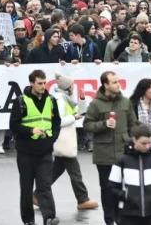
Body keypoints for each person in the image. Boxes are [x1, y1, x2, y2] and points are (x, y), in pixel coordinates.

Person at [84, 71, 138, 225]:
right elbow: (87, 125)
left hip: (123, 152)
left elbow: (132, 124)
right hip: (104, 154)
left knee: (123, 188)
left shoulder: (125, 102)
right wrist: (103, 124)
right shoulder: (96, 104)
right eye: (114, 82)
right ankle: (109, 219)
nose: (118, 84)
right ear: (105, 85)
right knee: (107, 189)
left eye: (118, 81)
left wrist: (133, 140)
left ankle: (120, 218)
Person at [10, 69, 62, 225]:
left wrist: (52, 138)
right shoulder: (21, 101)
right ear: (31, 83)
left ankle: (49, 217)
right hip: (26, 151)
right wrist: (31, 130)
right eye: (40, 83)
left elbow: (56, 122)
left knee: (44, 185)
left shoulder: (51, 100)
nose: (43, 86)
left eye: (44, 83)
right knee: (26, 188)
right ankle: (28, 220)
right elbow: (13, 125)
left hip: (45, 150)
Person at [49, 73, 98, 210]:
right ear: (67, 87)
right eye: (71, 86)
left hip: (65, 139)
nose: (73, 88)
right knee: (75, 172)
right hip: (64, 139)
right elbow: (59, 121)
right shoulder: (60, 99)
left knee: (55, 171)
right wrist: (73, 117)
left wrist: (82, 99)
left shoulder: (66, 98)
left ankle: (37, 194)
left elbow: (79, 113)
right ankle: (82, 199)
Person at [108, 124, 151, 225]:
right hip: (128, 214)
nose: (147, 146)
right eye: (143, 143)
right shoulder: (122, 161)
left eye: (149, 143)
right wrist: (127, 196)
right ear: (134, 140)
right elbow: (112, 187)